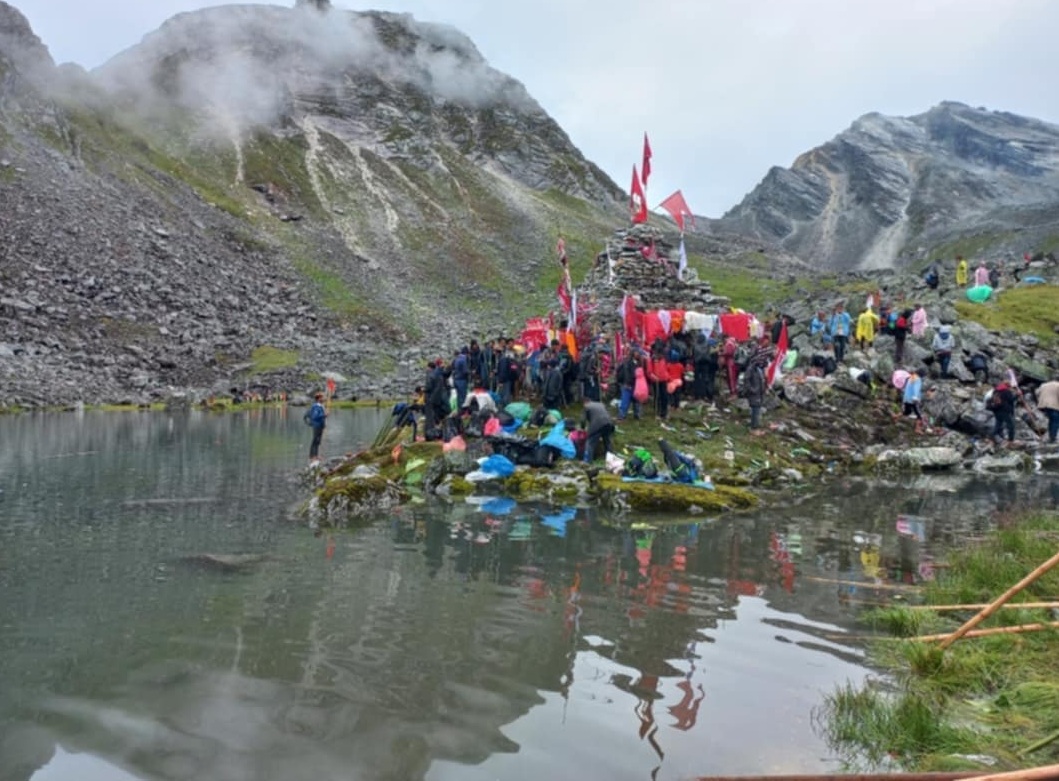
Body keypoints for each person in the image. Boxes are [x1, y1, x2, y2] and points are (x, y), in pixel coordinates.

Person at [615, 352, 642, 421]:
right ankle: (622, 416)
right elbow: (628, 374)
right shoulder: (630, 362)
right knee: (627, 400)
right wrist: (628, 383)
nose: (639, 354)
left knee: (633, 399)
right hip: (628, 384)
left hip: (631, 383)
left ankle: (633, 415)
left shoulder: (630, 361)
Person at [989, 380, 1017, 445]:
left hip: (996, 411)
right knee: (1011, 426)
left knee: (998, 424)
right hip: (1005, 411)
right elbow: (1011, 400)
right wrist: (1017, 395)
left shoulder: (996, 390)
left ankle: (993, 436)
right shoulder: (1006, 391)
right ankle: (1011, 440)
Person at [304, 392, 327, 461]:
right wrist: (324, 415)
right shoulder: (315, 406)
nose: (323, 398)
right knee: (315, 440)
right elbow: (315, 416)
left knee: (318, 441)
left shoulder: (320, 406)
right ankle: (312, 456)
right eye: (322, 397)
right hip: (316, 425)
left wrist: (324, 424)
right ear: (319, 398)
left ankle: (316, 456)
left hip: (320, 425)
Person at [744, 360, 766, 431]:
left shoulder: (760, 369)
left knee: (757, 408)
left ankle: (755, 424)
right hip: (754, 392)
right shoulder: (751, 369)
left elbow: (762, 380)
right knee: (755, 407)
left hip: (760, 392)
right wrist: (752, 389)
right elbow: (746, 380)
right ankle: (754, 427)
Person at [1036, 378, 1059, 444]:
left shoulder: (1043, 385)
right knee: (1055, 421)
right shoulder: (1058, 385)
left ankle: (1051, 436)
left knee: (1051, 420)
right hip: (1054, 405)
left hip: (1044, 405)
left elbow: (1037, 392)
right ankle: (1053, 438)